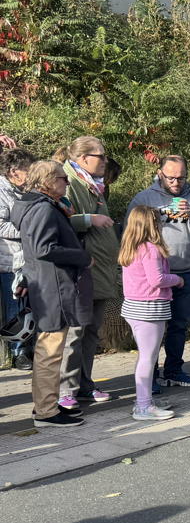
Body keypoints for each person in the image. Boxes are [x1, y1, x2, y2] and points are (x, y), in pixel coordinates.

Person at [127, 155, 190, 388]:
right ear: (160, 174)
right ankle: (151, 376)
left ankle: (174, 371)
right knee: (154, 328)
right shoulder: (145, 198)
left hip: (185, 272)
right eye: (171, 178)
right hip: (154, 277)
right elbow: (130, 232)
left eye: (181, 178)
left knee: (180, 325)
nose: (176, 182)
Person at [11, 160, 90, 428]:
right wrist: (82, 256)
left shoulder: (35, 205)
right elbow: (45, 248)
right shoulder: (42, 209)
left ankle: (47, 404)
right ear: (46, 181)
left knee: (50, 349)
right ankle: (45, 412)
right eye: (62, 178)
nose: (66, 183)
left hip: (48, 284)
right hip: (52, 288)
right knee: (50, 350)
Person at [59, 135, 120, 411]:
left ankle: (84, 384)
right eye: (101, 156)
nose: (105, 161)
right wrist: (89, 219)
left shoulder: (94, 184)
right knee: (75, 331)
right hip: (82, 271)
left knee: (92, 330)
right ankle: (66, 390)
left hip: (101, 270)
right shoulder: (68, 182)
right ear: (84, 159)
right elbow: (58, 221)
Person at [118, 206, 181, 422]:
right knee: (148, 358)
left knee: (145, 356)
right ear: (151, 224)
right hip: (150, 308)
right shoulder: (151, 248)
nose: (162, 222)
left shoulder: (131, 246)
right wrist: (177, 279)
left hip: (134, 307)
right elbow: (157, 280)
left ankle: (143, 400)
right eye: (158, 219)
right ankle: (143, 406)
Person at [0, 148, 36, 369]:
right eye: (27, 171)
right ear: (14, 172)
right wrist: (28, 228)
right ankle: (18, 353)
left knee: (29, 307)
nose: (31, 176)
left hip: (26, 258)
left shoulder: (22, 189)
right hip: (9, 261)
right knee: (16, 309)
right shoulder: (1, 191)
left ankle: (27, 348)